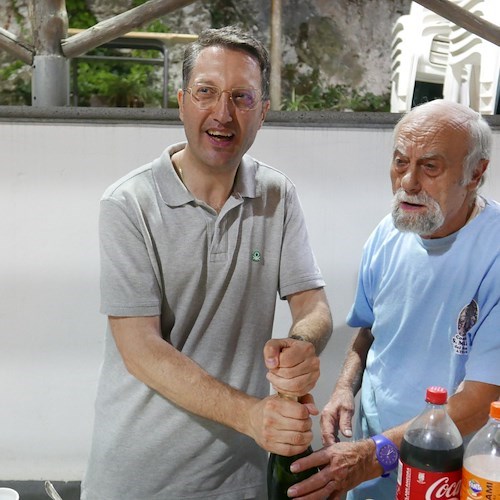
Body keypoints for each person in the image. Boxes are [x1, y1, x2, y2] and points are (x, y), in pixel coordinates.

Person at [81, 26, 332, 500]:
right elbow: (140, 348)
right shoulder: (128, 203)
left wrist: (302, 343)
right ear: (181, 102)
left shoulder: (277, 195)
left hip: (242, 478)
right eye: (206, 92)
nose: (223, 113)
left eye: (241, 97)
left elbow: (312, 302)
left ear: (263, 112)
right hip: (139, 479)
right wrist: (252, 416)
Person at [286, 100, 500, 499]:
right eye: (401, 162)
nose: (408, 182)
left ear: (476, 173)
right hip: (367, 471)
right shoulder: (387, 234)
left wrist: (373, 454)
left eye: (430, 167)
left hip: (445, 477)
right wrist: (344, 389)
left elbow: (480, 401)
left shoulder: (495, 255)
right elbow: (371, 330)